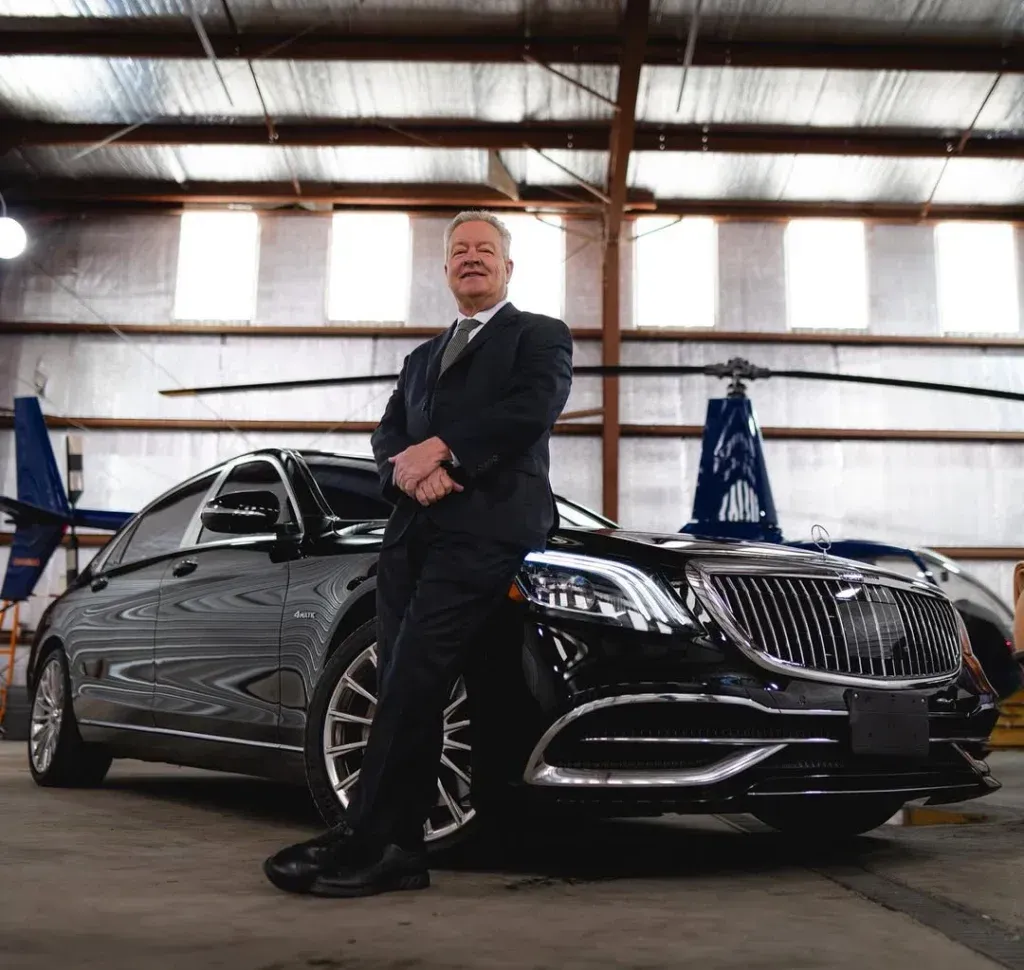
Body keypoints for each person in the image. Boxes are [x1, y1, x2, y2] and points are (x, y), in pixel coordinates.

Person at [263, 210, 574, 898]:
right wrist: (406, 470)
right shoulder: (421, 359)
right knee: (413, 685)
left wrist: (445, 453)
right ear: (445, 270)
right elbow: (386, 437)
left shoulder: (540, 336)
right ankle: (396, 844)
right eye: (459, 251)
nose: (471, 259)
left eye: (484, 250)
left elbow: (531, 410)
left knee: (411, 681)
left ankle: (371, 839)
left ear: (508, 268)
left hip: (487, 532)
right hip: (409, 540)